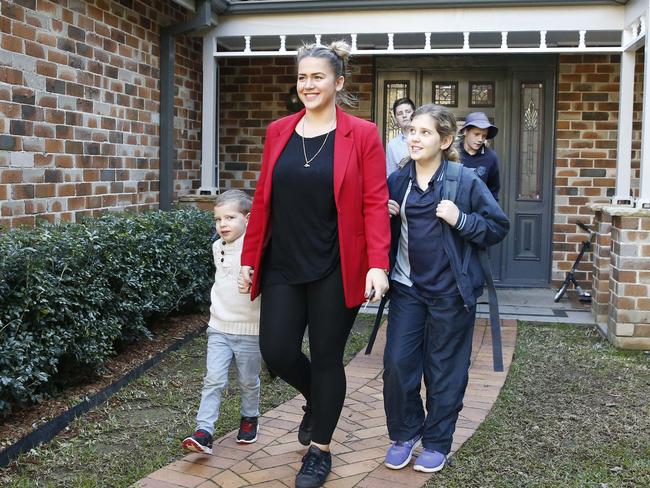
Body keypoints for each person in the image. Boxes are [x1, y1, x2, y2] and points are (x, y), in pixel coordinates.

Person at [239, 41, 390, 488]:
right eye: (303, 76)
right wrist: (250, 258)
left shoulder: (361, 134)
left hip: (336, 264)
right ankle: (314, 399)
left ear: (337, 82)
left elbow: (374, 203)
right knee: (278, 350)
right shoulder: (279, 131)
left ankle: (319, 451)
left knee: (327, 358)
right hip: (283, 263)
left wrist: (377, 264)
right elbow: (263, 198)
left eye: (318, 76)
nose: (308, 84)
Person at [383, 104, 509, 474]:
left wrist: (462, 219)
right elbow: (383, 234)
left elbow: (497, 226)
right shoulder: (398, 180)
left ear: (445, 140)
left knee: (444, 369)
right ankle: (405, 433)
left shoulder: (464, 180)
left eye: (424, 132)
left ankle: (437, 442)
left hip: (451, 293)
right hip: (407, 289)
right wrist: (384, 216)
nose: (415, 138)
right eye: (412, 132)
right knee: (397, 364)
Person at [182, 190, 262, 455]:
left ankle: (250, 417)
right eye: (218, 219)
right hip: (219, 326)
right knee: (213, 379)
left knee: (248, 381)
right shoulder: (218, 246)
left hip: (250, 328)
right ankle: (203, 432)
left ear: (248, 219)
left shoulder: (258, 248)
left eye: (230, 217)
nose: (222, 224)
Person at [459, 112, 501, 201]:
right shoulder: (452, 153)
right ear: (465, 131)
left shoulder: (491, 157)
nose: (480, 139)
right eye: (476, 134)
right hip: (453, 210)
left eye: (484, 136)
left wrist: (490, 212)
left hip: (479, 211)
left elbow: (493, 190)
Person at [385, 97, 416, 177]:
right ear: (395, 118)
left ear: (415, 114)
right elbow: (391, 175)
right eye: (400, 113)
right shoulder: (392, 145)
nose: (404, 115)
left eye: (408, 112)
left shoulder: (425, 138)